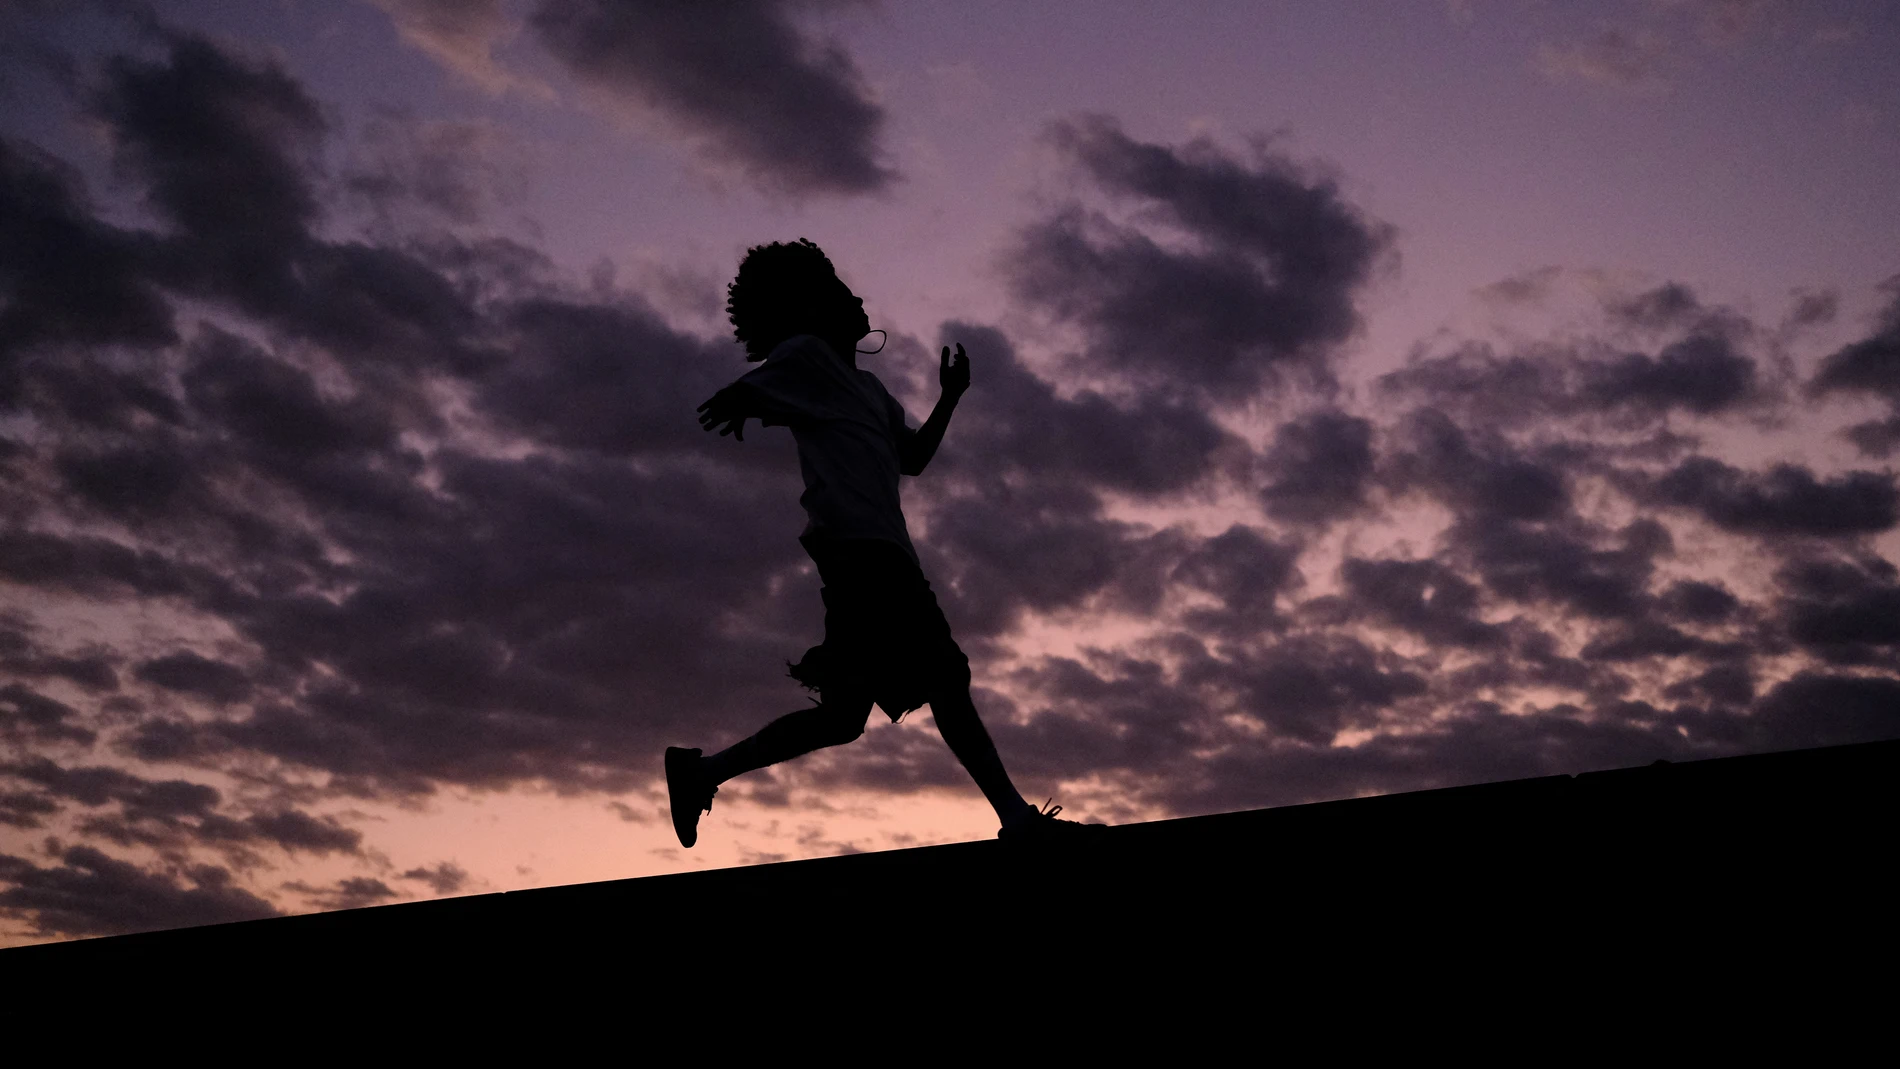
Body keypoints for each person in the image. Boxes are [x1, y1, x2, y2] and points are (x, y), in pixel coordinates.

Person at [666, 238, 1100, 847]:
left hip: (872, 555)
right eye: (845, 295)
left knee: (842, 718)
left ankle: (701, 772)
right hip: (862, 554)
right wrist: (741, 399)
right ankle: (1018, 819)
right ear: (813, 308)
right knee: (946, 674)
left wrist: (950, 397)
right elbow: (761, 382)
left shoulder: (869, 390)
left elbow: (913, 458)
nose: (860, 301)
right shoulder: (809, 356)